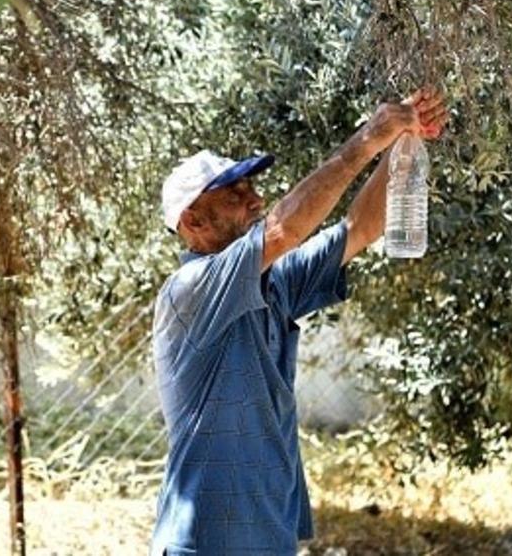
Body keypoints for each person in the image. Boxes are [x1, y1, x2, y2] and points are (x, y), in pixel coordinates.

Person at [150, 89, 449, 556]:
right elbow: (284, 230)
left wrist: (401, 142)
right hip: (204, 542)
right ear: (193, 220)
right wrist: (368, 138)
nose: (255, 199)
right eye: (236, 193)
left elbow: (359, 229)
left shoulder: (273, 283)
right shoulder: (191, 289)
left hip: (270, 537)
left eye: (251, 187)